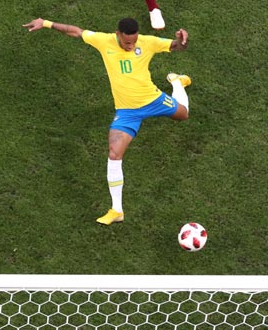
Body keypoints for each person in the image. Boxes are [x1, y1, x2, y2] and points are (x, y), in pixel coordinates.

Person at [23, 16, 192, 225]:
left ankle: (177, 83)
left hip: (153, 100)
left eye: (134, 41)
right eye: (127, 42)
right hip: (127, 112)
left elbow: (175, 47)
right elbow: (76, 31)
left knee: (183, 114)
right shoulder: (104, 41)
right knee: (114, 153)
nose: (131, 46)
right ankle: (117, 210)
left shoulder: (146, 42)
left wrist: (182, 42)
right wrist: (47, 23)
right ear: (117, 34)